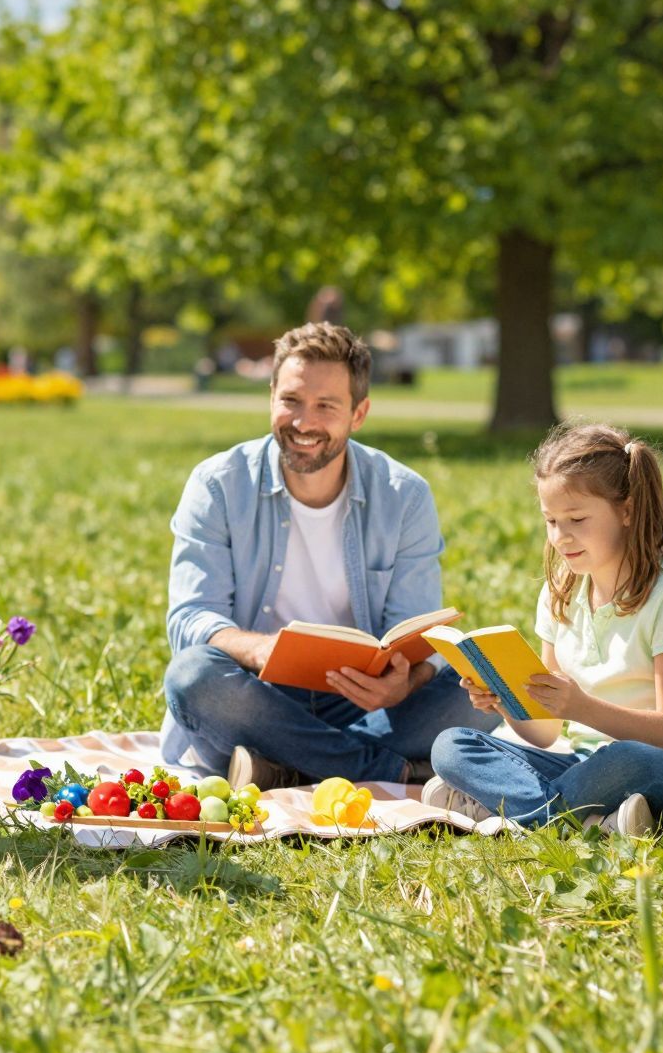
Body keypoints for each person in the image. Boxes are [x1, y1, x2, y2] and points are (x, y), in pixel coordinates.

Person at [160, 323, 494, 787]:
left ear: (359, 413)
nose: (304, 423)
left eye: (326, 406)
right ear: (271, 396)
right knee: (193, 675)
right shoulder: (216, 485)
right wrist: (259, 649)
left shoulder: (404, 495)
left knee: (480, 681)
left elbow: (419, 626)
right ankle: (388, 771)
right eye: (291, 401)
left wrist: (405, 682)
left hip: (363, 700)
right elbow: (191, 618)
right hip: (257, 695)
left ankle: (284, 766)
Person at [423, 423, 663, 835]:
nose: (561, 536)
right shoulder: (560, 593)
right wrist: (503, 700)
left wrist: (582, 707)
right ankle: (596, 820)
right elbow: (546, 733)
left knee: (623, 760)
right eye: (550, 520)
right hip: (585, 768)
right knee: (452, 747)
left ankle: (513, 812)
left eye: (577, 518)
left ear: (627, 510)